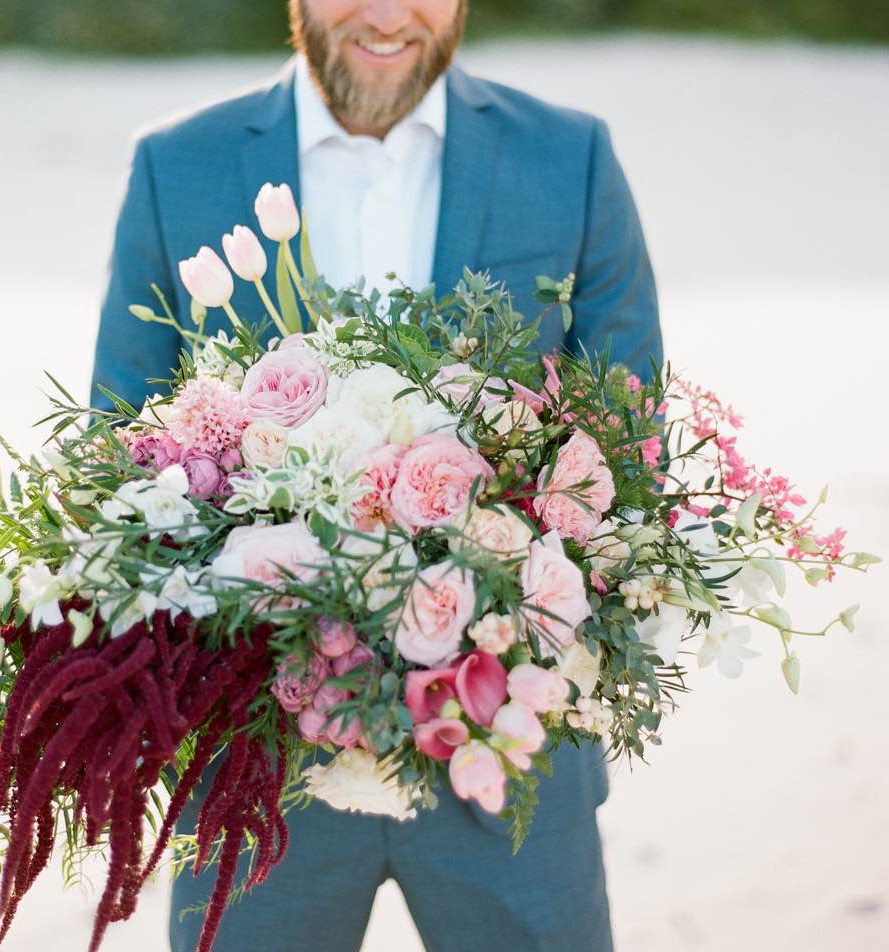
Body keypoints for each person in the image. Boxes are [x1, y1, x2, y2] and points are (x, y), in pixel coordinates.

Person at [90, 2, 662, 949]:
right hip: (257, 772)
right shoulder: (175, 165)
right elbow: (118, 449)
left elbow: (630, 442)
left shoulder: (573, 159)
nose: (391, 14)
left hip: (506, 757)